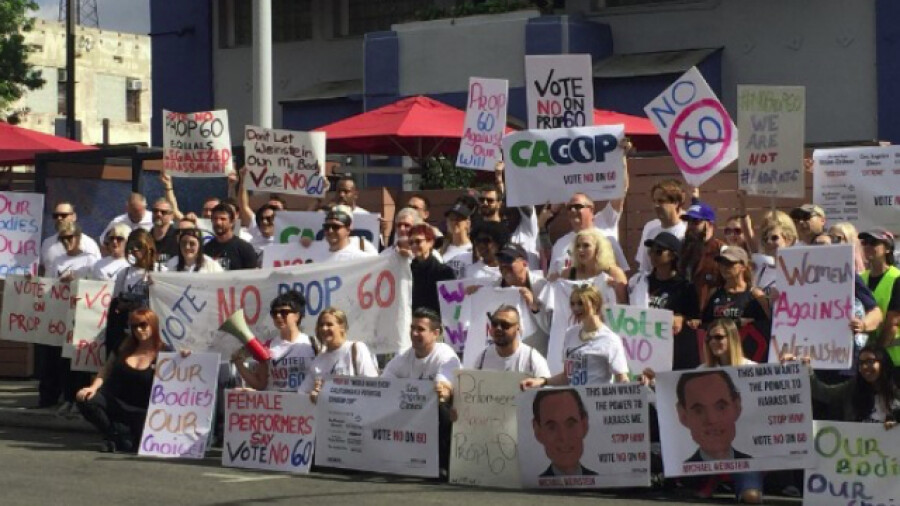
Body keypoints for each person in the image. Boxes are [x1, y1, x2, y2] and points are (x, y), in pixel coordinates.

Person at [381, 308, 461, 479]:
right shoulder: (403, 357)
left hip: (439, 415)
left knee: (442, 408)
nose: (414, 333)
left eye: (420, 329)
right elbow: (384, 385)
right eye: (412, 328)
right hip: (411, 414)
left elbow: (444, 391)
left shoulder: (446, 355)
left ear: (435, 333)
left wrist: (443, 391)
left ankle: (442, 464)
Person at [75, 308, 166, 453]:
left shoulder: (165, 352)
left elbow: (179, 376)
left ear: (153, 325)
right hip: (115, 402)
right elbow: (106, 369)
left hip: (142, 410)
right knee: (85, 398)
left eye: (143, 325)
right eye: (134, 326)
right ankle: (115, 435)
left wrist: (184, 357)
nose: (138, 330)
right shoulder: (123, 345)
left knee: (133, 444)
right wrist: (93, 388)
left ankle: (119, 438)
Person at [524, 285, 629, 388]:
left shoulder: (610, 339)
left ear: (595, 305)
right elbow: (567, 376)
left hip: (597, 398)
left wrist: (634, 388)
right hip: (574, 398)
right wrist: (543, 381)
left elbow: (621, 378)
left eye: (581, 303)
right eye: (572, 304)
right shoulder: (571, 333)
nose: (576, 308)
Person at [629, 232, 701, 370]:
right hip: (644, 350)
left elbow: (694, 319)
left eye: (659, 251)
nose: (653, 255)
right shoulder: (641, 282)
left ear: (673, 256)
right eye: (651, 251)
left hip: (673, 352)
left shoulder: (685, 287)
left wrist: (681, 318)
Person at [231, 290, 318, 392]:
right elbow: (260, 384)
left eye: (284, 312)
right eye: (274, 313)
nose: (278, 316)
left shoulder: (312, 344)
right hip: (277, 401)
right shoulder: (267, 346)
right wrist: (239, 364)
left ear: (297, 316)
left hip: (304, 401)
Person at [796, 346, 900, 425]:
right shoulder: (853, 387)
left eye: (870, 361)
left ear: (883, 363)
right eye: (861, 363)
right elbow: (824, 393)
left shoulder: (897, 388)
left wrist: (896, 424)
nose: (865, 367)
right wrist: (806, 370)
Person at [303, 308, 379, 402]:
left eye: (329, 324)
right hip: (328, 411)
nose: (324, 328)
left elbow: (373, 386)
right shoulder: (318, 360)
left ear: (342, 327)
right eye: (321, 325)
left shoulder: (356, 348)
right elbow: (302, 392)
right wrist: (313, 393)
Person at [676, 370, 752, 461]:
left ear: (736, 406)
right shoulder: (678, 469)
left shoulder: (758, 465)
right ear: (683, 416)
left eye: (721, 407)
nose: (712, 419)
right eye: (698, 411)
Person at [547, 192, 629, 276]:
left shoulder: (605, 226)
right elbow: (551, 278)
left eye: (577, 206)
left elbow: (619, 192)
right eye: (569, 208)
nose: (573, 210)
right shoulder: (559, 244)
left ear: (591, 209)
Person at [531, 389, 597, 477]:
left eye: (570, 424)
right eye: (552, 427)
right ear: (538, 431)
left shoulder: (602, 481)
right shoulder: (532, 484)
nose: (563, 437)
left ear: (584, 425)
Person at [701, 246, 770, 328]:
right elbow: (705, 323)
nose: (724, 267)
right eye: (721, 263)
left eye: (729, 263)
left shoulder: (756, 295)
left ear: (743, 266)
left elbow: (767, 324)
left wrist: (750, 322)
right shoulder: (714, 293)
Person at [472, 306, 550, 376]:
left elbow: (546, 386)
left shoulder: (532, 359)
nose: (498, 328)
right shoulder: (483, 358)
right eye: (494, 324)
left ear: (518, 328)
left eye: (505, 325)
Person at [679, 201, 725, 313]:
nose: (691, 226)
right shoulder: (683, 249)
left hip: (708, 315)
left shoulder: (721, 250)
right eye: (688, 221)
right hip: (683, 314)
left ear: (710, 224)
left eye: (695, 221)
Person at [558, 228, 627, 303]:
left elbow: (625, 305)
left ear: (598, 248)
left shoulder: (614, 273)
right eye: (577, 246)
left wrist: (617, 289)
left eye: (586, 245)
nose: (580, 249)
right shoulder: (568, 274)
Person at [634, 179, 687, 273]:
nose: (656, 205)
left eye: (661, 201)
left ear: (676, 203)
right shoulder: (651, 231)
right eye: (654, 201)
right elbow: (645, 269)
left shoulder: (685, 232)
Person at [859, 228, 900, 349]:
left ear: (887, 249)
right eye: (865, 242)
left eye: (873, 242)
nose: (868, 246)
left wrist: (877, 351)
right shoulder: (861, 278)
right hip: (865, 351)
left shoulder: (897, 278)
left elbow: (892, 323)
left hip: (892, 353)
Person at [407, 224, 455, 314]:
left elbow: (451, 304)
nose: (414, 245)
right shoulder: (407, 271)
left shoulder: (444, 272)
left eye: (418, 241)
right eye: (411, 242)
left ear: (430, 242)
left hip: (435, 320)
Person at [41, 201, 101, 271]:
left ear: (74, 217)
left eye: (63, 215)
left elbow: (97, 272)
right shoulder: (47, 243)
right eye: (56, 216)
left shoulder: (89, 244)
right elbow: (42, 269)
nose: (59, 218)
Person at [203, 203, 258, 270]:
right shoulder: (206, 249)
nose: (218, 222)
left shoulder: (245, 248)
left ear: (232, 222)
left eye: (223, 219)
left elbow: (253, 274)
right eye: (215, 219)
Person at [440, 200, 475, 278]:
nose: (454, 222)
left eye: (458, 219)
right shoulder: (441, 249)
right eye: (451, 219)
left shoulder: (474, 249)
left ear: (468, 223)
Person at [149, 198, 179, 268]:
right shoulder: (145, 238)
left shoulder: (178, 238)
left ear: (172, 216)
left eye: (163, 212)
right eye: (155, 211)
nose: (158, 214)